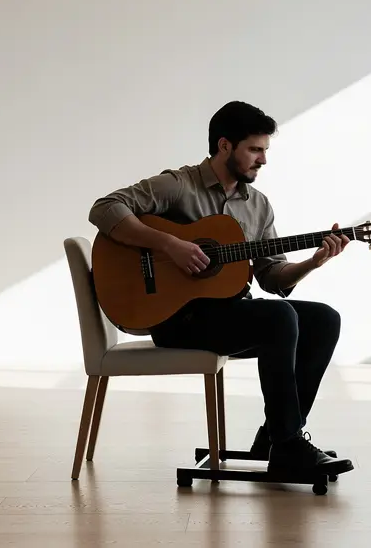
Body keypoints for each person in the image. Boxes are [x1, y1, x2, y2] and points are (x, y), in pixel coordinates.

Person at [87, 100, 354, 479]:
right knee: (278, 317)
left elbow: (271, 277)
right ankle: (290, 443)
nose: (263, 160)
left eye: (265, 150)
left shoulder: (258, 205)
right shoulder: (179, 186)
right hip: (177, 319)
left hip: (229, 316)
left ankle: (276, 439)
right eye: (255, 149)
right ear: (225, 146)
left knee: (324, 319)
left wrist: (313, 262)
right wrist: (169, 244)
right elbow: (105, 207)